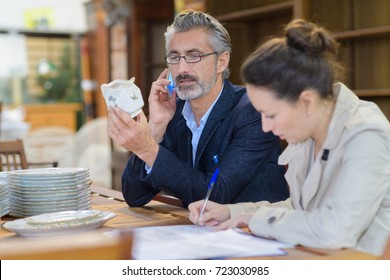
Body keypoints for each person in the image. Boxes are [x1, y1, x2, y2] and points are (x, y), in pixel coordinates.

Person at [188, 19, 390, 256]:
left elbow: (335, 229)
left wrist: (257, 221)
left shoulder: (367, 135)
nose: (265, 125)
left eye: (271, 114)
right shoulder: (309, 131)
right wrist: (233, 212)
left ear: (306, 102)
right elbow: (299, 207)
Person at [107, 10, 289, 208]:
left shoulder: (253, 111)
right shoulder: (172, 112)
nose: (182, 68)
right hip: (196, 232)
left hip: (252, 233)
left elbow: (215, 194)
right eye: (174, 57)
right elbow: (134, 196)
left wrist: (147, 148)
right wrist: (156, 129)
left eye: (194, 56)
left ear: (222, 61)